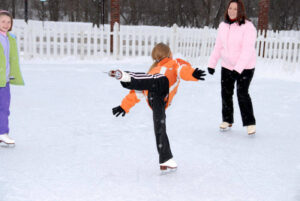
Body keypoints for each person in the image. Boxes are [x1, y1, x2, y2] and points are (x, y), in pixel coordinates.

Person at [109, 43, 206, 170]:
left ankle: (166, 159)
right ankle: (127, 76)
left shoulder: (165, 66)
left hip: (157, 94)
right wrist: (124, 106)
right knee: (159, 123)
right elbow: (183, 70)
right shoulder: (167, 65)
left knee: (159, 124)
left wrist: (193, 74)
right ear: (169, 53)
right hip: (157, 92)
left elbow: (183, 71)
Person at [207, 0, 257, 135]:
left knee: (242, 93)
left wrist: (238, 70)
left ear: (240, 11)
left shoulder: (248, 27)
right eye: (230, 8)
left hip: (245, 67)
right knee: (226, 93)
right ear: (227, 9)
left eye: (235, 9)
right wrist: (212, 64)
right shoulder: (223, 26)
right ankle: (227, 119)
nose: (232, 11)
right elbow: (218, 46)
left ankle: (250, 123)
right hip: (227, 66)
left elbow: (247, 50)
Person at [0, 10, 24, 145]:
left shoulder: (10, 38)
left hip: (5, 80)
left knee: (4, 107)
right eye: (2, 21)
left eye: (8, 22)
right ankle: (2, 132)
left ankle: (2, 132)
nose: (6, 24)